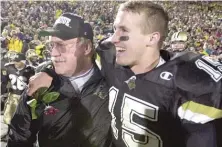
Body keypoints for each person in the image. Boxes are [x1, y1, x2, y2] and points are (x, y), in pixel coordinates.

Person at [22, 1, 222, 147]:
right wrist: (49, 72)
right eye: (114, 29)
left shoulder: (189, 80)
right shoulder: (109, 56)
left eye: (123, 31)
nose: (113, 38)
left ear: (152, 38)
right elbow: (74, 60)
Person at [7, 13, 111, 147]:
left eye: (61, 45)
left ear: (86, 47)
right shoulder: (40, 85)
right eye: (52, 45)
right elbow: (19, 136)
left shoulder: (111, 77)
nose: (53, 53)